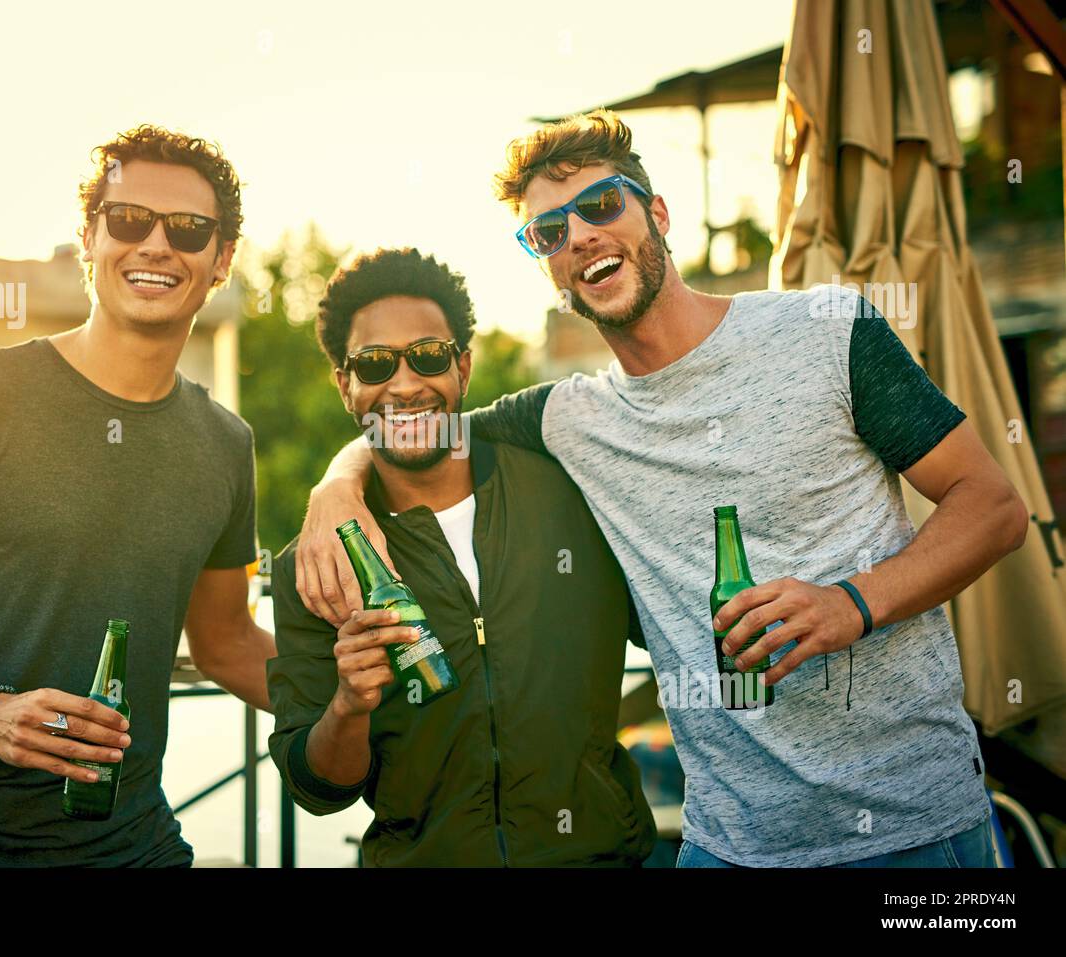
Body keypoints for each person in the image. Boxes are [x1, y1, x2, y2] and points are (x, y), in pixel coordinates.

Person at [296, 111, 1027, 868]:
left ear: (659, 212)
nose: (577, 235)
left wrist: (852, 602)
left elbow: (993, 506)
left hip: (914, 828)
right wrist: (335, 488)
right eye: (548, 231)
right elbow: (415, 415)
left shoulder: (826, 330)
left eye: (601, 205)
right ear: (547, 266)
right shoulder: (570, 419)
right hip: (726, 845)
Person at [0, 125, 275, 867]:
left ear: (220, 259)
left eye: (189, 229)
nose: (157, 245)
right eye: (129, 220)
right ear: (89, 239)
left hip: (133, 843)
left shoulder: (227, 444)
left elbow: (225, 639)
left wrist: (352, 699)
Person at [268, 248, 656, 866]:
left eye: (427, 355)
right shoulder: (313, 566)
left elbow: (678, 620)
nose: (403, 384)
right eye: (374, 364)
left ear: (463, 368)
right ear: (346, 385)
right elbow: (317, 787)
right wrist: (348, 705)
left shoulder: (572, 489)